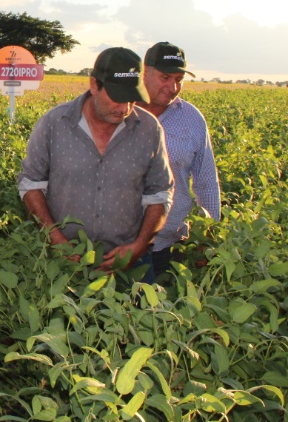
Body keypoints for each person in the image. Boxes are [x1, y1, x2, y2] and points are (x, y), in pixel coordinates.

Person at [18, 47, 173, 282]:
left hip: (129, 264)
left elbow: (160, 194)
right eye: (118, 98)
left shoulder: (149, 129)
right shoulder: (55, 123)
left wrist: (140, 245)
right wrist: (56, 241)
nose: (125, 109)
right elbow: (31, 184)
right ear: (94, 85)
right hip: (63, 264)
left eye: (132, 99)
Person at [138, 42, 221, 279]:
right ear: (146, 72)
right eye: (165, 77)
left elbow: (206, 181)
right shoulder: (121, 110)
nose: (172, 87)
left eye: (179, 79)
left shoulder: (191, 119)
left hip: (168, 243)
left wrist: (209, 235)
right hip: (117, 246)